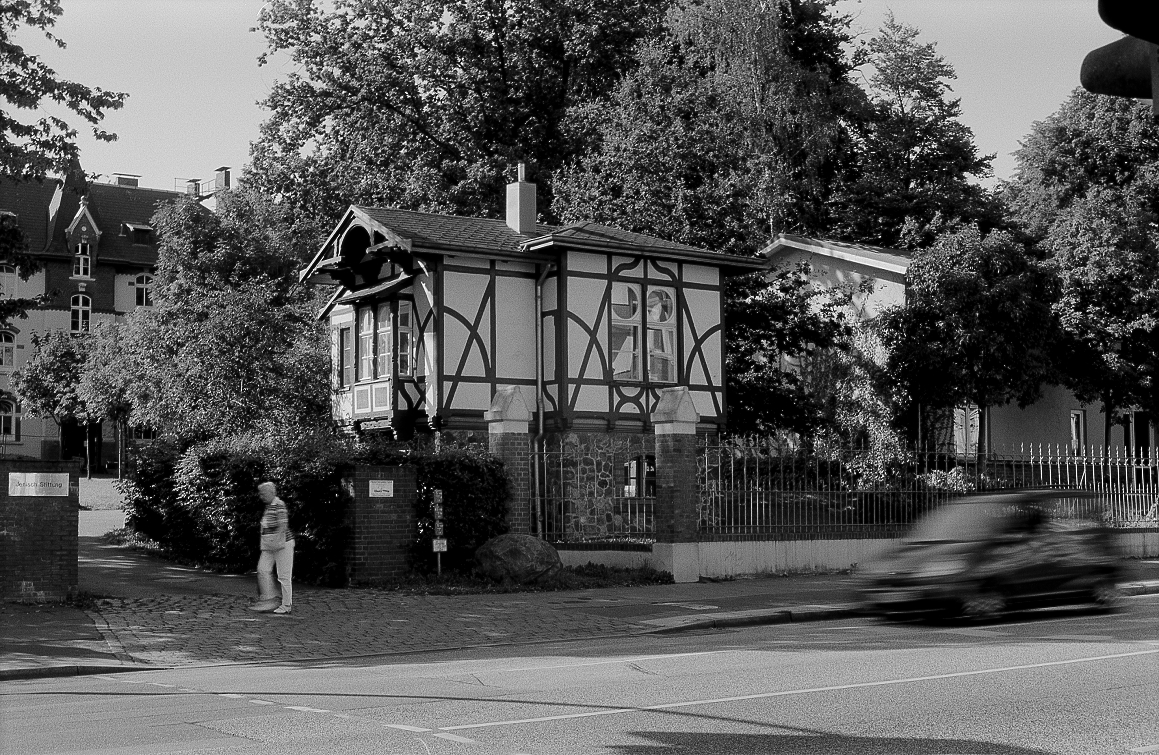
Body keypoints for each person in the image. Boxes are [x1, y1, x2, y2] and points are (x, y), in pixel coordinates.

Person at [248, 481, 295, 615]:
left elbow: (283, 525)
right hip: (270, 545)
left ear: (271, 493)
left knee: (284, 576)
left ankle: (286, 605)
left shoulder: (279, 504)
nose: (261, 496)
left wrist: (277, 542)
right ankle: (269, 599)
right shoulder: (269, 507)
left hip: (283, 544)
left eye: (263, 494)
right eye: (260, 494)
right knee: (262, 569)